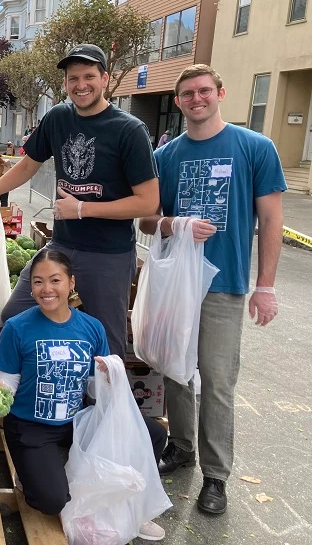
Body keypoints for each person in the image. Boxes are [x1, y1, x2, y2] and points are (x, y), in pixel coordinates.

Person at [139, 64, 286, 515]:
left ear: (221, 93)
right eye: (187, 94)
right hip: (177, 283)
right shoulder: (166, 156)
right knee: (177, 372)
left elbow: (271, 220)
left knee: (218, 382)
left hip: (224, 284)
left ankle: (216, 476)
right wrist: (173, 222)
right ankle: (182, 450)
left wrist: (265, 286)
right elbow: (146, 218)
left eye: (204, 91)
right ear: (179, 101)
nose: (196, 99)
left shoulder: (255, 147)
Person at [0, 43, 159, 359]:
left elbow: (148, 202)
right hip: (61, 246)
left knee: (106, 344)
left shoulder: (129, 130)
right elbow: (28, 164)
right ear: (65, 84)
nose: (81, 85)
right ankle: (51, 392)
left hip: (107, 254)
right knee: (16, 314)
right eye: (73, 78)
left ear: (105, 78)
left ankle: (102, 407)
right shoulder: (57, 118)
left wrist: (82, 208)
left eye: (89, 76)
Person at [0, 249, 166, 541]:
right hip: (30, 426)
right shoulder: (17, 327)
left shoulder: (91, 327)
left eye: (55, 280)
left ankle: (133, 504)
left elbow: (93, 390)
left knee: (154, 433)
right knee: (50, 501)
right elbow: (7, 381)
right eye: (37, 282)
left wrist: (107, 377)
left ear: (71, 283)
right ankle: (30, 473)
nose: (46, 289)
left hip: (77, 421)